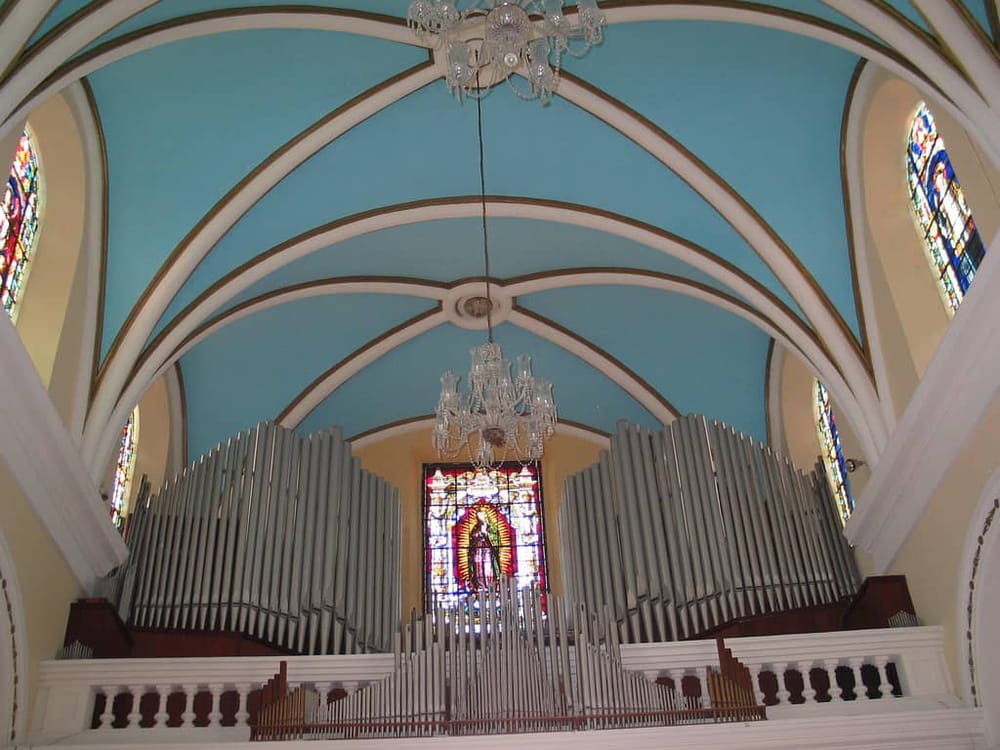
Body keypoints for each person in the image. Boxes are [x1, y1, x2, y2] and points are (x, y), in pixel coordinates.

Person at [468, 510, 500, 590]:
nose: (480, 517)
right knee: (478, 566)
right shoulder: (476, 527)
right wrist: (479, 534)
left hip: (487, 549)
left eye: (482, 515)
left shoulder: (490, 526)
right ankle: (480, 585)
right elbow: (472, 536)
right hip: (478, 549)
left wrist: (487, 533)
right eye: (479, 516)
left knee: (488, 565)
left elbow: (495, 536)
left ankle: (491, 585)